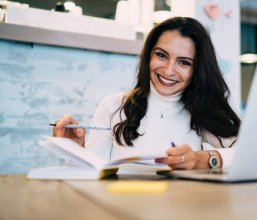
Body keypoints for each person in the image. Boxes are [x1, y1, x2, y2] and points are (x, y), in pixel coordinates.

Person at [53, 17, 240, 172]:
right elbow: (90, 176)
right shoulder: (112, 106)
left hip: (183, 211)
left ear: (197, 69)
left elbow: (251, 153)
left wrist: (204, 159)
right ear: (148, 55)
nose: (168, 70)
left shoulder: (201, 111)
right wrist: (74, 152)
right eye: (161, 55)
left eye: (184, 62)